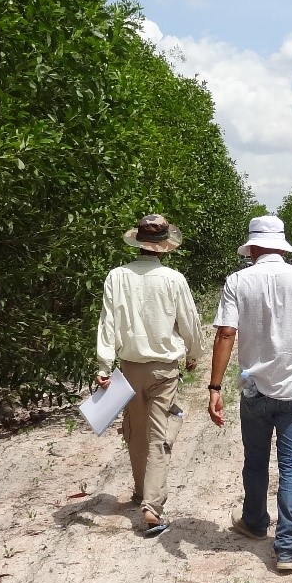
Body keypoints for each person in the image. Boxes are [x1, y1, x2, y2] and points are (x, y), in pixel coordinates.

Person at [207, 215, 292, 572]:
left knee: (256, 459)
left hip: (255, 389)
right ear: (280, 245)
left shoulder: (237, 282)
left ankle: (254, 521)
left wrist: (214, 387)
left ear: (255, 247)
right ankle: (289, 547)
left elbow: (225, 335)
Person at [96, 214, 203, 537]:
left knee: (135, 431)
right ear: (164, 246)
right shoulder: (173, 279)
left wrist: (103, 366)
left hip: (128, 367)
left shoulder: (117, 277)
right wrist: (194, 355)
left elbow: (107, 323)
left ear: (138, 243)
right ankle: (152, 507)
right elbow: (190, 322)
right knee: (158, 434)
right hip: (163, 369)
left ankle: (143, 491)